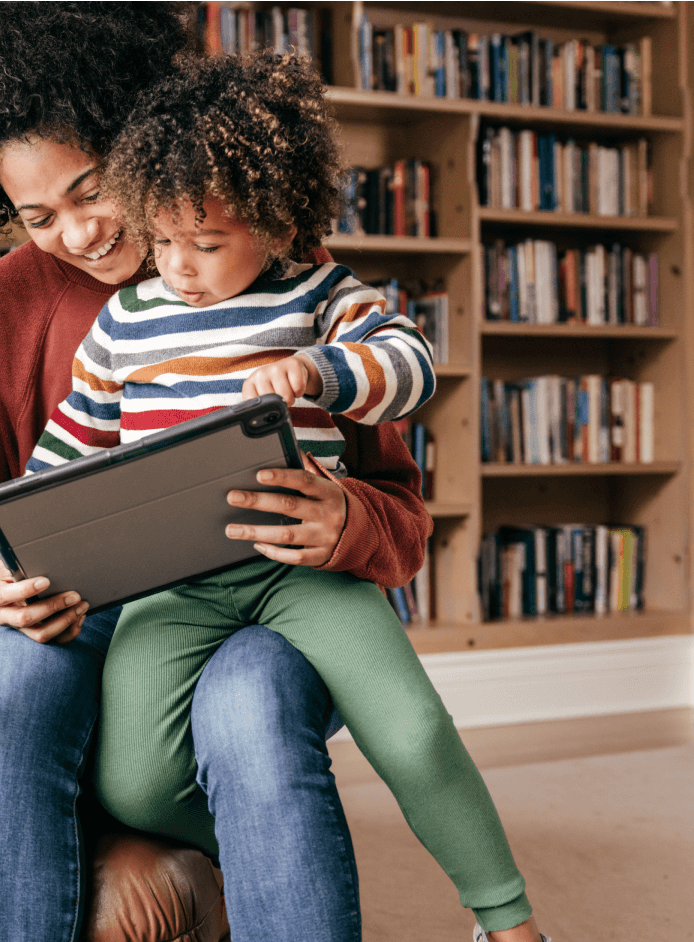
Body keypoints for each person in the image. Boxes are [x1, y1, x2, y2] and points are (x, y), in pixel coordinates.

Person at [0, 4, 429, 940]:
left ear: (136, 144)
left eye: (92, 188)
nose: (81, 232)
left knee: (251, 702)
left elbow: (400, 509)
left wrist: (345, 520)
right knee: (8, 684)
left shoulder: (272, 259)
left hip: (273, 593)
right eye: (37, 216)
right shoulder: (1, 305)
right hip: (87, 611)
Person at [30, 52, 549, 942]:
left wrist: (320, 370)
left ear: (274, 223)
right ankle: (268, 850)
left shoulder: (319, 294)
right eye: (161, 241)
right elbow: (70, 450)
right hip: (175, 582)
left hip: (303, 571)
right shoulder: (124, 323)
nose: (179, 267)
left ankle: (506, 920)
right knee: (135, 781)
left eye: (207, 243)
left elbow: (412, 365)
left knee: (415, 732)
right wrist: (35, 544)